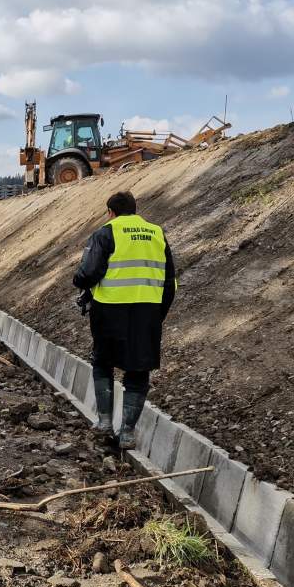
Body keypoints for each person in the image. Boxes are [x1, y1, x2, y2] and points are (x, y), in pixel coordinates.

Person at [72, 191, 175, 449]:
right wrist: (157, 314)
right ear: (135, 209)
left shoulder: (106, 233)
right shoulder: (156, 233)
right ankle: (127, 433)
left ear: (111, 212)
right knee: (138, 370)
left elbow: (88, 272)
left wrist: (80, 284)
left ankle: (105, 422)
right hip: (147, 312)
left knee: (103, 362)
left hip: (110, 310)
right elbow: (170, 281)